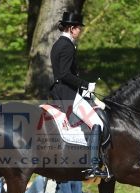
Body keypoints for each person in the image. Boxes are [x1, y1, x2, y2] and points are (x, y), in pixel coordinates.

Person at [50, 11, 107, 179]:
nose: (80, 31)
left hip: (60, 90)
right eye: (78, 28)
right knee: (97, 122)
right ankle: (93, 165)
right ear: (72, 28)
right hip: (67, 92)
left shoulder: (57, 44)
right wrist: (85, 85)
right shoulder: (67, 45)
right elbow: (64, 74)